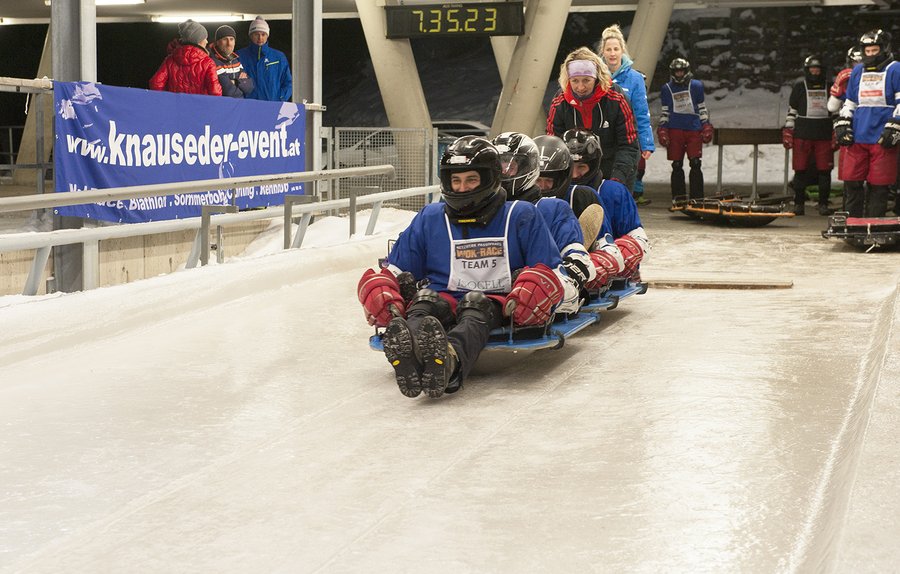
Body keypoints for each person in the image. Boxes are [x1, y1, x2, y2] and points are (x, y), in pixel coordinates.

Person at [357, 137, 572, 399]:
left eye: (471, 180)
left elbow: (553, 273)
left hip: (495, 300)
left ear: (490, 179)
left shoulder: (520, 214)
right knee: (424, 303)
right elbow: (397, 269)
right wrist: (380, 291)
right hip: (443, 296)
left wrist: (537, 289)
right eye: (456, 181)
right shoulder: (431, 218)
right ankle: (409, 352)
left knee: (474, 308)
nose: (462, 188)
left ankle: (449, 360)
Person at [492, 131, 595, 307]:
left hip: (527, 294)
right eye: (499, 166)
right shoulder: (471, 213)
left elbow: (579, 260)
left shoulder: (551, 208)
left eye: (511, 166)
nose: (504, 173)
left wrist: (550, 285)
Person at [534, 133, 626, 290]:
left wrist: (585, 267)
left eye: (548, 181)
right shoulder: (519, 203)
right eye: (538, 180)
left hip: (573, 267)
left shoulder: (582, 196)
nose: (542, 186)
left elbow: (609, 249)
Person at [546, 46, 640, 192]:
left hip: (612, 169)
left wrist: (617, 179)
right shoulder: (560, 102)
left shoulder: (617, 98)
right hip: (575, 173)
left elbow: (628, 145)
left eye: (586, 80)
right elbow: (554, 144)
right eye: (575, 81)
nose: (581, 87)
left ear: (596, 78)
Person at [563, 129, 650, 281]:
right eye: (571, 168)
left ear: (594, 164)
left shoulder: (613, 192)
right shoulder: (553, 193)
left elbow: (637, 238)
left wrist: (618, 259)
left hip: (605, 264)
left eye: (581, 167)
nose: (575, 175)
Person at [834, 29, 900, 218]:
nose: (870, 55)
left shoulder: (895, 69)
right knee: (852, 179)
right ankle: (851, 221)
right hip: (858, 135)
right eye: (867, 51)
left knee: (879, 183)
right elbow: (851, 101)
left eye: (874, 51)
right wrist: (844, 121)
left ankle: (874, 221)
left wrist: (895, 125)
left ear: (884, 49)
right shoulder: (857, 71)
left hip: (882, 135)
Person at [598, 24, 655, 206]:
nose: (612, 53)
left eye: (616, 49)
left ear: (622, 51)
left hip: (627, 142)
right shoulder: (595, 77)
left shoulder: (635, 78)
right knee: (601, 190)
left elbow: (641, 113)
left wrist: (646, 143)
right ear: (603, 52)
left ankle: (625, 229)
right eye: (609, 49)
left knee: (624, 192)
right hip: (602, 142)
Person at [782, 55, 835, 216]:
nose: (815, 71)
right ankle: (799, 204)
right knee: (800, 170)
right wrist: (788, 129)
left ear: (822, 70)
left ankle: (823, 204)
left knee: (825, 170)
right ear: (807, 70)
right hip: (802, 134)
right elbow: (792, 111)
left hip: (824, 134)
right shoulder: (799, 87)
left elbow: (837, 111)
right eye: (812, 69)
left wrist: (837, 131)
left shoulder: (830, 87)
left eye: (817, 68)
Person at [656, 57, 714, 201]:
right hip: (675, 129)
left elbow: (701, 107)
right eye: (677, 72)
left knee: (695, 163)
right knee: (676, 164)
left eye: (681, 71)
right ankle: (679, 197)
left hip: (694, 128)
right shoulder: (667, 88)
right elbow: (665, 111)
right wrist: (663, 129)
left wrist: (706, 124)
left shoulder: (696, 86)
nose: (679, 74)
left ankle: (697, 197)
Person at [149, 20, 222, 96]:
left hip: (175, 106)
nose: (207, 41)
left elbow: (155, 84)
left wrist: (167, 99)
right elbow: (215, 92)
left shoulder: (170, 60)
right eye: (205, 38)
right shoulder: (208, 63)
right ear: (198, 40)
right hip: (200, 106)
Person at [236, 16, 293, 102]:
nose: (260, 38)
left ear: (267, 35)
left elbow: (288, 82)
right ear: (250, 35)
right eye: (256, 34)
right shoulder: (239, 56)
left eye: (263, 34)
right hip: (248, 107)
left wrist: (281, 98)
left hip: (272, 106)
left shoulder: (278, 57)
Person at [208, 25, 254, 99]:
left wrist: (235, 82)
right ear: (217, 42)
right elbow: (228, 92)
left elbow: (249, 87)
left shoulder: (235, 60)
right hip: (221, 107)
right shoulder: (212, 61)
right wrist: (240, 81)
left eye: (231, 39)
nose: (229, 43)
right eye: (225, 39)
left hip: (237, 106)